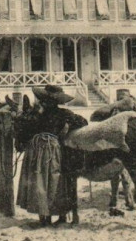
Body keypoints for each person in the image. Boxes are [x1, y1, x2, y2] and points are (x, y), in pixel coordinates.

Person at [16, 85, 87, 227]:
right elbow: (83, 121)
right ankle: (54, 216)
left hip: (45, 150)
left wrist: (67, 126)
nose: (43, 103)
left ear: (50, 101)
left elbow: (83, 122)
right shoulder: (55, 114)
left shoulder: (50, 114)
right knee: (53, 180)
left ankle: (48, 217)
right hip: (47, 149)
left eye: (44, 101)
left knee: (45, 180)